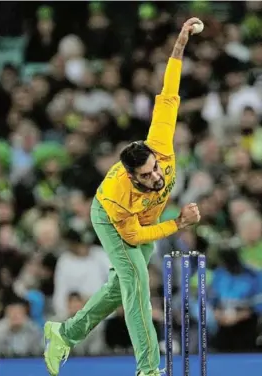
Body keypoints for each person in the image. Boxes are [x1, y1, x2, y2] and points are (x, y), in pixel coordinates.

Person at [44, 17, 201, 376]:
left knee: (120, 288)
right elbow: (135, 236)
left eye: (157, 169)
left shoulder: (158, 144)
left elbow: (168, 94)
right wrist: (177, 223)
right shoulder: (118, 196)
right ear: (132, 175)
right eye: (147, 176)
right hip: (114, 222)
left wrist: (178, 47)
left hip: (145, 218)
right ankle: (148, 370)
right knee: (137, 286)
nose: (158, 177)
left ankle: (64, 334)